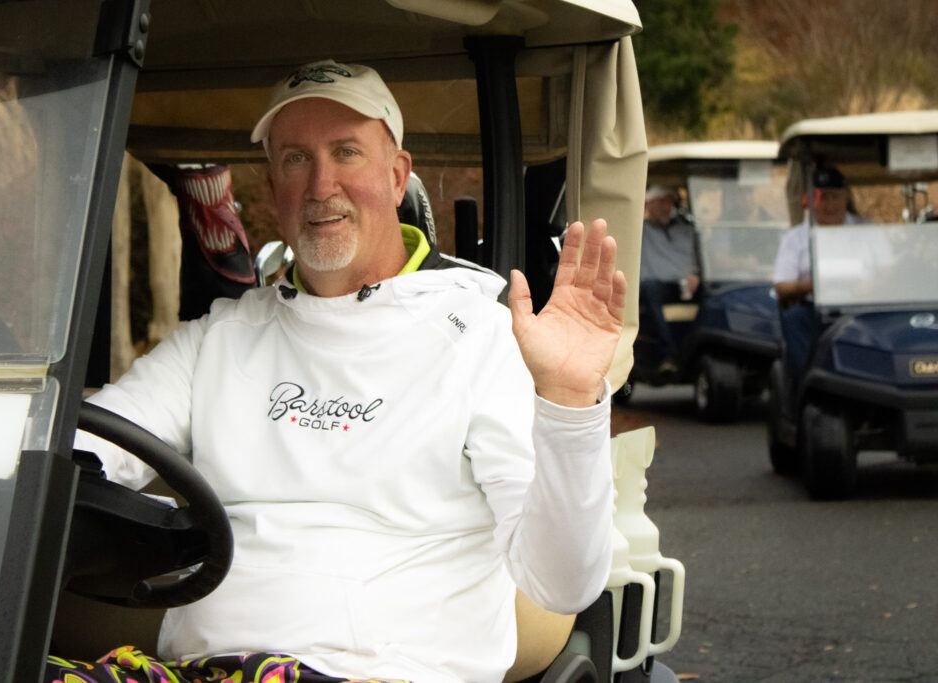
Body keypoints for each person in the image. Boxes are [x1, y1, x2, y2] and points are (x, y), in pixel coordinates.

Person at [42, 59, 627, 683]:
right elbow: (91, 444)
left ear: (398, 175)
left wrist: (568, 398)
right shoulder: (222, 335)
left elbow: (562, 582)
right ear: (272, 183)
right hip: (204, 670)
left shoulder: (482, 333)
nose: (321, 185)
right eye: (296, 158)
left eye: (346, 152)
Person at [772, 165, 858, 382]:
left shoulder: (866, 230)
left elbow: (886, 272)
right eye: (823, 198)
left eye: (835, 197)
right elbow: (782, 287)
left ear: (845, 198)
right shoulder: (795, 238)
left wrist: (868, 285)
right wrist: (814, 284)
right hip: (815, 309)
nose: (829, 205)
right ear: (811, 200)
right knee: (794, 318)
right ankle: (809, 385)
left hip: (860, 307)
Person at [638, 184, 700, 373]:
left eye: (669, 203)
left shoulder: (686, 230)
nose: (666, 208)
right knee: (650, 289)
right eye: (661, 203)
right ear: (648, 205)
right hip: (657, 287)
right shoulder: (642, 230)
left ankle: (704, 349)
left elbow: (700, 259)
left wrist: (697, 276)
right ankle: (670, 355)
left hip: (687, 285)